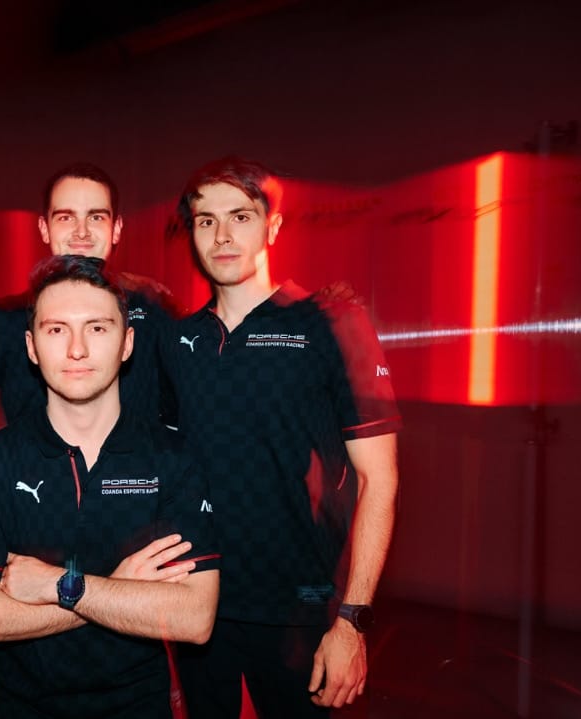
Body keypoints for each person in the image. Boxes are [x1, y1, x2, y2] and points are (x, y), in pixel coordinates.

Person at [161, 157, 401, 718]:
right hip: (199, 604)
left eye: (240, 217)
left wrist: (352, 621)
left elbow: (380, 479)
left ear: (273, 226)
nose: (222, 236)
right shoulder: (177, 343)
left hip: (302, 610)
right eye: (206, 221)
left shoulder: (332, 324)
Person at [0, 255, 220, 718]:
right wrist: (117, 590)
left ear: (127, 343)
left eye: (97, 328)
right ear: (32, 347)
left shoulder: (173, 459)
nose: (77, 349)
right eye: (57, 330)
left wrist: (59, 585)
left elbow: (194, 618)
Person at [0, 163, 181, 427]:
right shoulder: (4, 321)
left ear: (116, 228)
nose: (82, 232)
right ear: (44, 228)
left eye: (96, 217)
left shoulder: (153, 311)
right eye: (66, 218)